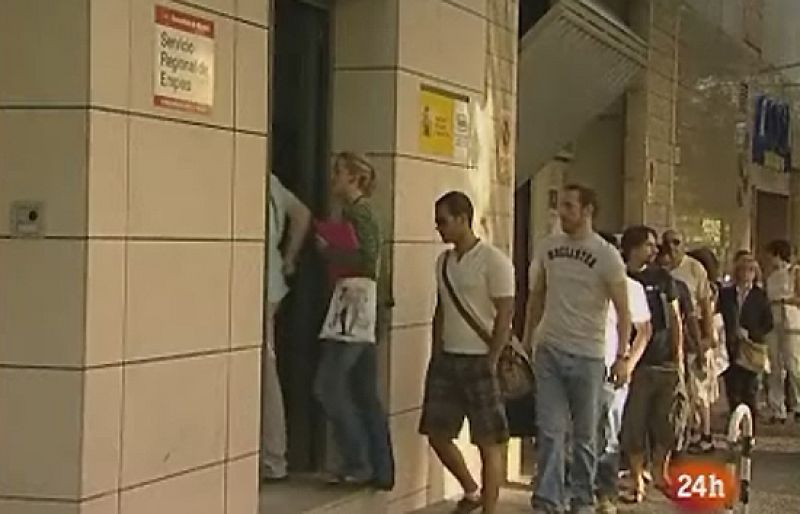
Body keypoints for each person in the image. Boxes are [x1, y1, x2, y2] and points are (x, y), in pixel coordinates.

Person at [523, 184, 630, 514]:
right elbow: (537, 295)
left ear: (587, 211)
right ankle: (548, 499)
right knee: (550, 430)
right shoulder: (548, 247)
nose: (563, 213)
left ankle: (582, 497)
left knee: (585, 434)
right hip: (550, 349)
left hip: (588, 354)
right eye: (561, 206)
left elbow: (623, 310)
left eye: (569, 206)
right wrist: (527, 339)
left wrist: (622, 356)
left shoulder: (606, 255)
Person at [419, 191, 514, 514]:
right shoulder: (443, 262)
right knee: (437, 432)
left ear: (462, 219)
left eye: (443, 221)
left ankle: (489, 508)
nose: (439, 228)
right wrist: (436, 350)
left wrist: (492, 359)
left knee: (488, 440)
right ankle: (471, 490)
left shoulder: (493, 261)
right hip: (448, 357)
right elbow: (441, 309)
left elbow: (505, 313)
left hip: (480, 358)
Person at [313, 152, 394, 490]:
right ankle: (381, 467)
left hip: (355, 310)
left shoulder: (359, 214)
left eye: (339, 172)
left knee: (328, 386)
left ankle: (358, 461)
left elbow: (367, 260)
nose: (333, 179)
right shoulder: (359, 213)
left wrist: (328, 249)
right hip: (366, 311)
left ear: (354, 178)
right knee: (364, 392)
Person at [619, 228, 684, 504]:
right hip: (636, 363)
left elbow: (675, 318)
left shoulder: (663, 279)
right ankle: (637, 479)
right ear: (633, 248)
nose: (655, 250)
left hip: (664, 360)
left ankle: (660, 470)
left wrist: (679, 357)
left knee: (667, 423)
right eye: (649, 245)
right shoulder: (620, 277)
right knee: (634, 424)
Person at [594, 232, 652, 514]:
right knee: (577, 432)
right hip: (579, 363)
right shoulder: (579, 285)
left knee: (608, 433)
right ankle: (578, 490)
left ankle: (605, 494)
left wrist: (628, 362)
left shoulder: (631, 287)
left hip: (611, 368)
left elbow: (644, 330)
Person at [262, 174, 311, 481]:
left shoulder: (259, 177)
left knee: (265, 368)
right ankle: (271, 455)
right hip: (273, 283)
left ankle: (273, 457)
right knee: (266, 365)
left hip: (261, 285)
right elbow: (302, 214)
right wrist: (288, 258)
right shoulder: (272, 182)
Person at [719, 254, 773, 425]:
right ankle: (734, 424)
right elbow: (719, 315)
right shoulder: (726, 294)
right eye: (743, 270)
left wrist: (750, 333)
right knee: (732, 388)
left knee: (750, 389)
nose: (746, 274)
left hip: (751, 348)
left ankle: (750, 427)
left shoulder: (760, 296)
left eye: (750, 270)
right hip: (731, 346)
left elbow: (768, 323)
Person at [763, 239, 800, 424]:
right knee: (775, 367)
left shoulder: (795, 272)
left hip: (790, 321)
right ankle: (777, 408)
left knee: (793, 365)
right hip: (773, 322)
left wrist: (786, 301)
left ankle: (798, 404)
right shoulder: (770, 277)